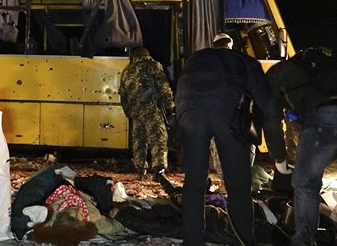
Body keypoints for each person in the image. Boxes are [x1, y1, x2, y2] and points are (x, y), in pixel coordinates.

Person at [175, 33, 290, 246]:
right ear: (231, 45)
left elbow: (180, 90)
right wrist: (279, 157)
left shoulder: (196, 59)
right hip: (226, 114)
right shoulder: (244, 61)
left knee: (194, 184)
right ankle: (244, 241)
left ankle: (193, 242)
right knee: (238, 186)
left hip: (189, 113)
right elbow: (270, 109)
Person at [264, 46, 337, 245]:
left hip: (324, 118)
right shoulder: (324, 69)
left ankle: (304, 241)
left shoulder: (278, 73)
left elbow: (271, 119)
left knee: (305, 183)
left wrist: (279, 158)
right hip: (324, 115)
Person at [119, 47, 174, 181]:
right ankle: (159, 170)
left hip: (136, 113)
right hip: (152, 110)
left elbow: (123, 95)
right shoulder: (153, 65)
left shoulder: (127, 71)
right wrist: (170, 106)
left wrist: (129, 113)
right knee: (158, 139)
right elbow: (164, 87)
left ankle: (140, 170)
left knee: (139, 141)